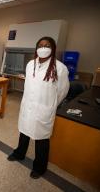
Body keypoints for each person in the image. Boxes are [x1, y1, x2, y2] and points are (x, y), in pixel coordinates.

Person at [7, 36, 69, 179]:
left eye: (47, 45)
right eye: (40, 45)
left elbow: (62, 91)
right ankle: (19, 153)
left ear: (52, 48)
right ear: (36, 48)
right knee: (24, 131)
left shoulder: (59, 68)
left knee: (41, 139)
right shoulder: (30, 64)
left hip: (44, 110)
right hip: (28, 106)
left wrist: (50, 105)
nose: (43, 48)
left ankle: (40, 167)